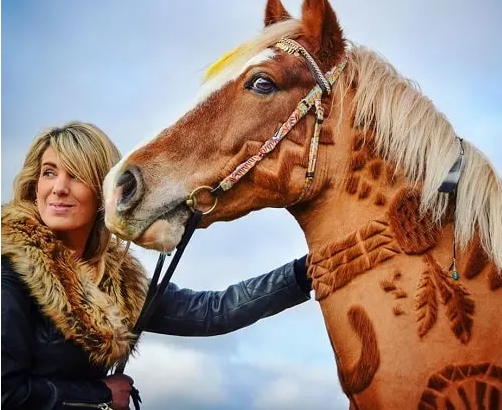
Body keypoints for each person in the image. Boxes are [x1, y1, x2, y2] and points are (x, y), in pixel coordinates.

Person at [1, 121, 312, 410]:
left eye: (76, 175)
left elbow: (212, 311)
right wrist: (101, 396)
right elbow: (6, 392)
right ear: (35, 185)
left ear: (104, 192)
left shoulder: (120, 283)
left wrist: (306, 271)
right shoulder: (10, 266)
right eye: (49, 173)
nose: (58, 188)